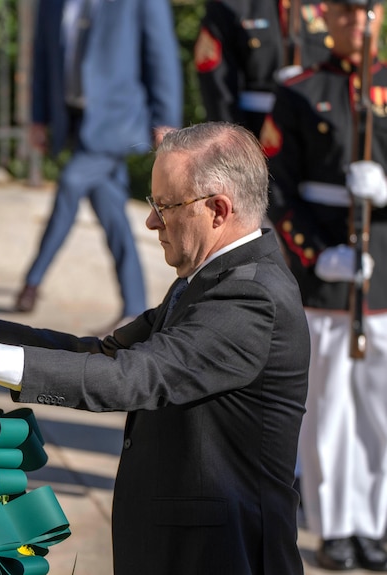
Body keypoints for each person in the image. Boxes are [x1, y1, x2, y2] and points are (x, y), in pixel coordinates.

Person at [0, 122, 310, 574]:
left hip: (224, 556)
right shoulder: (213, 278)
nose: (151, 221)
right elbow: (102, 355)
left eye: (165, 206)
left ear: (218, 210)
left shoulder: (250, 297)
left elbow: (133, 377)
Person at [260, 0, 387, 570]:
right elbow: (276, 189)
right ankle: (336, 525)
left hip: (383, 269)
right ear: (327, 20)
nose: (355, 24)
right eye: (344, 13)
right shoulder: (300, 92)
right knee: (329, 405)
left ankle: (376, 523)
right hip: (327, 272)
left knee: (381, 408)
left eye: (367, 13)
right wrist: (315, 258)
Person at [14, 0, 183, 327]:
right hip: (76, 121)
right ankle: (135, 309)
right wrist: (38, 118)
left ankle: (32, 282)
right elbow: (43, 56)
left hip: (118, 124)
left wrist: (165, 120)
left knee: (69, 185)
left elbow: (161, 55)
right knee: (112, 215)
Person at [195, 0, 331, 137]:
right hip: (254, 129)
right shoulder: (230, 6)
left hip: (319, 132)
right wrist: (231, 140)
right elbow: (218, 89)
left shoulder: (331, 6)